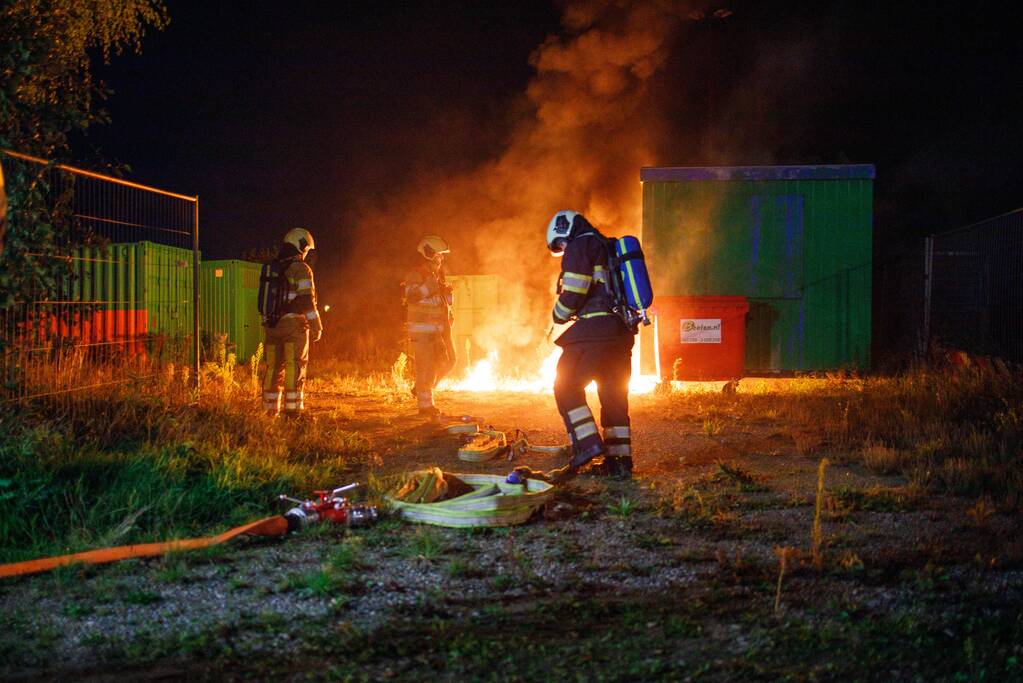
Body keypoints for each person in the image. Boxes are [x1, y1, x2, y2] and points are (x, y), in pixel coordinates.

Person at [547, 210, 635, 479]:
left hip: (593, 332)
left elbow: (574, 290)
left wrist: (557, 314)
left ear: (565, 231)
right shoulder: (607, 246)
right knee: (613, 397)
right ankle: (619, 463)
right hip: (619, 334)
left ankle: (587, 444)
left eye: (560, 244)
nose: (563, 250)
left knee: (566, 385)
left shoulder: (580, 244)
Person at [261, 228, 322, 418]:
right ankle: (293, 412)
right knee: (294, 365)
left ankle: (269, 410)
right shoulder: (300, 268)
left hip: (271, 326)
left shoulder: (273, 267)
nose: (306, 253)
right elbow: (306, 301)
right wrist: (316, 325)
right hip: (293, 326)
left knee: (273, 367)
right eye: (306, 249)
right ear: (301, 245)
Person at [404, 235, 455, 417]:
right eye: (439, 255)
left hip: (436, 330)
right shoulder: (416, 274)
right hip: (422, 329)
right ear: (429, 253)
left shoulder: (436, 276)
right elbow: (412, 296)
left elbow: (442, 303)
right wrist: (430, 287)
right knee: (425, 367)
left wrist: (447, 295)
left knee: (446, 362)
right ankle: (425, 406)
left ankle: (421, 390)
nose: (441, 259)